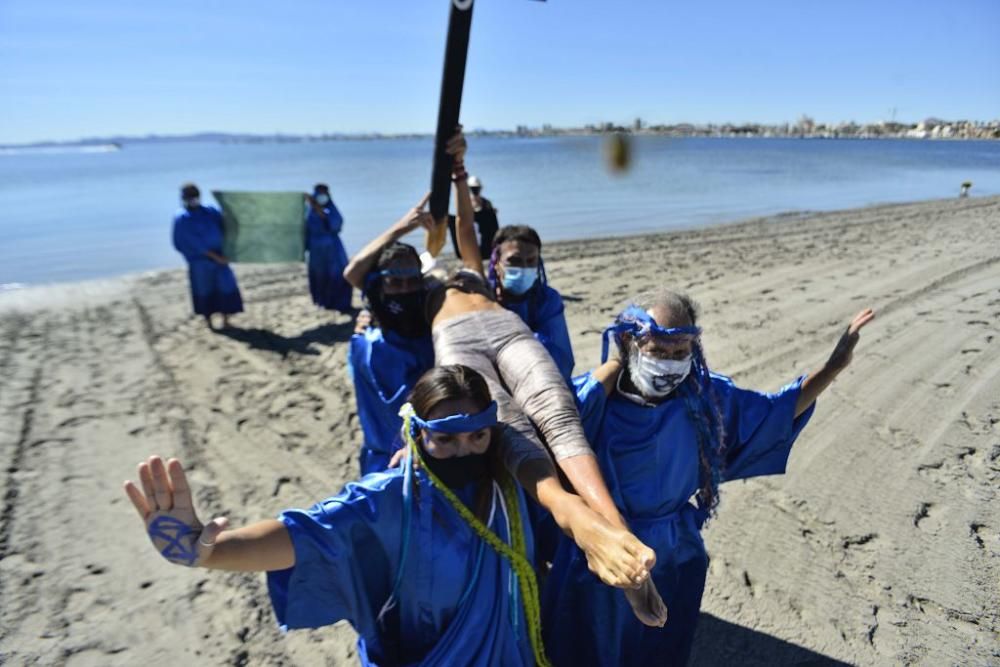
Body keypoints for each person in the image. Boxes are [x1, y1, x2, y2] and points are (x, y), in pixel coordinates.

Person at [124, 365, 554, 666]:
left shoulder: (507, 482)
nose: (465, 451)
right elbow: (302, 535)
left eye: (477, 436)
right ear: (417, 433)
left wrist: (617, 357)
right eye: (445, 440)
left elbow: (570, 400)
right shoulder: (390, 498)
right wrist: (208, 551)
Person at [542, 289, 876, 666]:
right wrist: (609, 372)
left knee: (661, 643)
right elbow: (551, 432)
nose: (669, 362)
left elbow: (773, 413)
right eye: (658, 350)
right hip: (602, 545)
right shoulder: (596, 398)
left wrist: (831, 369)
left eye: (680, 350)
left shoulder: (705, 399)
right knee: (590, 644)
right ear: (630, 342)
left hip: (673, 549)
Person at [412, 128, 664, 613]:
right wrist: (417, 229)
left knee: (559, 416)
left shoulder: (473, 266)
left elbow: (467, 225)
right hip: (459, 343)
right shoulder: (418, 271)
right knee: (513, 430)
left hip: (504, 328)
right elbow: (375, 278)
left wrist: (461, 174)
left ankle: (618, 536)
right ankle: (577, 522)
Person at [343, 206, 435, 475]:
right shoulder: (367, 344)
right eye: (395, 283)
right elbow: (352, 273)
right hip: (385, 458)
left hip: (437, 452)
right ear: (379, 287)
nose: (405, 290)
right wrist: (402, 227)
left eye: (411, 282)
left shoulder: (433, 327)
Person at [487, 225, 575, 382]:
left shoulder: (547, 299)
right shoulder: (484, 299)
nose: (523, 267)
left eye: (531, 261)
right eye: (514, 261)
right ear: (496, 262)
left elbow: (560, 361)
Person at [172, 183, 243, 329]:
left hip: (220, 258)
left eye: (195, 196)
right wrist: (214, 257)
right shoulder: (182, 218)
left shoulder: (210, 211)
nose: (193, 199)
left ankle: (226, 319)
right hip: (201, 263)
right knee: (204, 291)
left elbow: (226, 225)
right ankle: (208, 321)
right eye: (190, 196)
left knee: (225, 287)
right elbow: (190, 242)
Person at [305, 183, 353, 314]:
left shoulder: (331, 209)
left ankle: (341, 303)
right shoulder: (308, 211)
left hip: (333, 248)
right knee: (320, 276)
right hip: (316, 250)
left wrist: (319, 210)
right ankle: (324, 302)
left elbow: (336, 224)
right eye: (319, 193)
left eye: (324, 194)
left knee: (338, 274)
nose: (322, 197)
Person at [446, 175, 499, 260]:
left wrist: (491, 213)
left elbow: (491, 225)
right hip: (470, 232)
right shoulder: (465, 202)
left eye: (476, 188)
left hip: (483, 235)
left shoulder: (486, 203)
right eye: (473, 188)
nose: (475, 191)